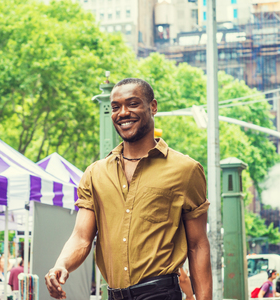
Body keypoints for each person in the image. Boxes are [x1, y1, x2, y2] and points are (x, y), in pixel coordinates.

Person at [45, 78, 212, 300]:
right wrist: (62, 264)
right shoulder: (95, 173)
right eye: (116, 107)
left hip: (160, 293)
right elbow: (82, 237)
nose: (123, 113)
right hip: (113, 294)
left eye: (132, 104)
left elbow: (198, 245)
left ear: (152, 107)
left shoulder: (185, 170)